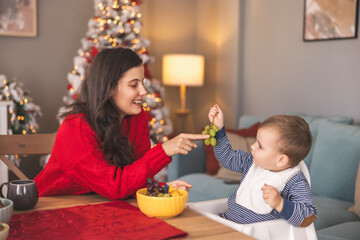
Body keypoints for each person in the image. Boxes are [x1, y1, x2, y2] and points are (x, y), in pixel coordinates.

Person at [34, 47, 209, 200]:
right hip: (50, 207)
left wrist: (161, 189)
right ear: (109, 88)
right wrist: (162, 151)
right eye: (134, 85)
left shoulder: (136, 118)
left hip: (99, 206)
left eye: (143, 83)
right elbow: (113, 186)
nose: (143, 91)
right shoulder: (76, 127)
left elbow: (135, 178)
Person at [208, 104, 317, 227]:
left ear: (281, 160)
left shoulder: (294, 181)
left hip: (257, 234)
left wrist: (280, 203)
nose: (253, 146)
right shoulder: (251, 162)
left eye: (260, 146)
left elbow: (308, 216)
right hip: (227, 223)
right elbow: (227, 157)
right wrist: (218, 129)